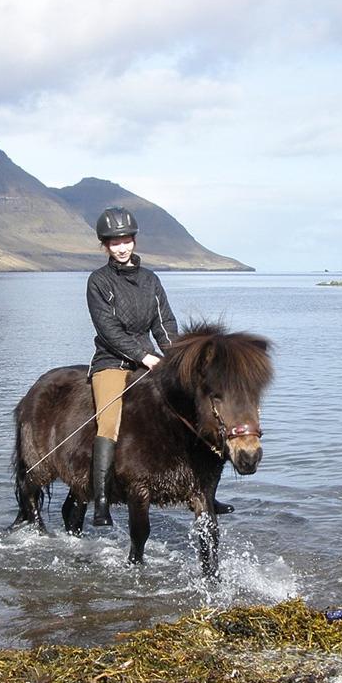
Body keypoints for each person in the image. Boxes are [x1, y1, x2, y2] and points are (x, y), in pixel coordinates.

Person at [85, 207, 234, 526]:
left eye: (126, 240)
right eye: (114, 242)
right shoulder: (98, 282)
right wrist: (144, 355)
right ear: (105, 245)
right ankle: (100, 502)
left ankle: (206, 490)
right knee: (108, 422)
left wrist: (177, 358)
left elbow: (164, 323)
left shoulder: (150, 280)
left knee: (197, 406)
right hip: (112, 362)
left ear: (134, 240)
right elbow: (108, 330)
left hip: (151, 359)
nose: (121, 247)